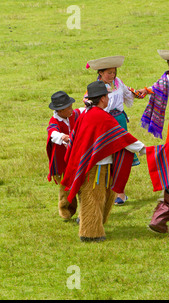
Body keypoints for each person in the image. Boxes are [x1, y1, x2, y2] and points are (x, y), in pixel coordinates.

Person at [61, 81, 146, 242]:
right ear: (102, 99)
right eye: (107, 96)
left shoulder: (87, 113)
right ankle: (90, 233)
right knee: (94, 198)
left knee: (104, 195)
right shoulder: (100, 116)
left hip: (93, 163)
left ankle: (94, 223)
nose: (108, 99)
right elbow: (122, 137)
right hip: (96, 166)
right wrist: (144, 149)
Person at [86, 55, 145, 205]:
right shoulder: (95, 87)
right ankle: (105, 192)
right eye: (109, 73)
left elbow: (128, 93)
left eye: (114, 72)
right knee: (106, 156)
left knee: (121, 156)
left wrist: (144, 92)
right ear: (100, 73)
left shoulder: (118, 83)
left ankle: (120, 193)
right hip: (104, 122)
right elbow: (88, 101)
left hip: (119, 121)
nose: (112, 76)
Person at [46, 91, 84, 221]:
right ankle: (66, 208)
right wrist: (62, 136)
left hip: (78, 156)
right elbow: (52, 132)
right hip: (65, 160)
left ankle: (84, 212)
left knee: (82, 184)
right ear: (60, 111)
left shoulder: (75, 114)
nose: (71, 110)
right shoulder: (54, 121)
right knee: (67, 185)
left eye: (71, 107)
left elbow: (85, 111)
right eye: (68, 108)